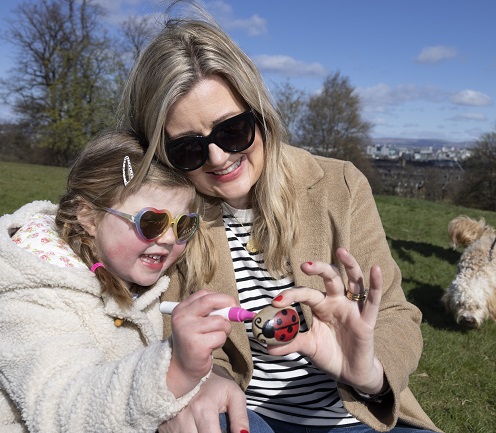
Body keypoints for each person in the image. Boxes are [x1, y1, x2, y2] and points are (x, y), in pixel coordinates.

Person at [119, 7, 443, 433]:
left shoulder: (339, 185)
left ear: (260, 115)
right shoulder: (174, 216)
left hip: (357, 413)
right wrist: (207, 378)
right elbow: (167, 320)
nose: (218, 158)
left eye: (232, 131)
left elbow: (396, 313)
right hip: (244, 414)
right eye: (188, 149)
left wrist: (366, 371)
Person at [0, 131, 267, 432]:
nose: (168, 240)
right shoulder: (31, 291)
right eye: (151, 222)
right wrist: (174, 371)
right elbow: (62, 408)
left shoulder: (140, 275)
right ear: (88, 217)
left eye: (183, 225)